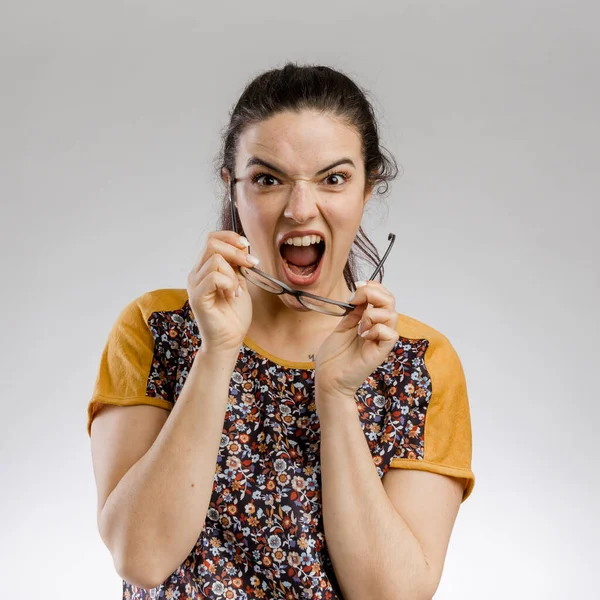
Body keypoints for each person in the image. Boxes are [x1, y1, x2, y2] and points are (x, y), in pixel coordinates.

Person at [87, 62, 475, 599]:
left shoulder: (419, 362)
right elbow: (140, 557)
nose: (299, 209)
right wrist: (216, 353)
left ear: (368, 189)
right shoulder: (155, 330)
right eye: (268, 179)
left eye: (333, 178)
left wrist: (337, 397)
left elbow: (391, 595)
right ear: (234, 188)